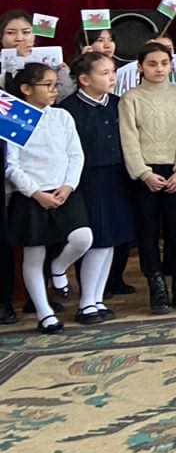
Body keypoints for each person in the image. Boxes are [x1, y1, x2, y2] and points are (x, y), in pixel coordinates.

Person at [4, 63, 93, 334]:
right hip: (32, 195)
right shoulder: (16, 117)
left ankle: (58, 267)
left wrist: (68, 185)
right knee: (34, 255)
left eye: (57, 85)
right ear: (26, 88)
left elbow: (75, 154)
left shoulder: (62, 116)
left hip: (63, 191)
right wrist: (35, 193)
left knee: (83, 237)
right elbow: (11, 166)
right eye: (48, 85)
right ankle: (45, 313)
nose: (55, 90)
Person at [120, 42, 176, 314]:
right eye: (152, 64)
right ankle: (156, 286)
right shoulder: (130, 98)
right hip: (146, 174)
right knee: (148, 230)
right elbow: (128, 139)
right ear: (140, 67)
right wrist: (144, 173)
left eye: (164, 63)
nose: (159, 69)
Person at [58, 51, 134, 323]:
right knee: (96, 240)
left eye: (113, 72)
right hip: (87, 181)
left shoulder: (117, 103)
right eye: (104, 73)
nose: (112, 78)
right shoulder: (68, 110)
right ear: (84, 79)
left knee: (110, 240)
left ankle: (97, 298)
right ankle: (86, 301)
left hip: (116, 178)